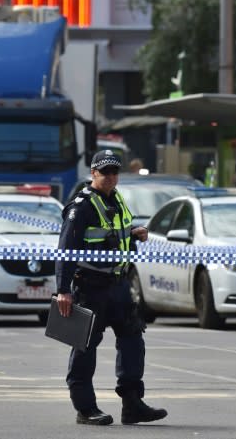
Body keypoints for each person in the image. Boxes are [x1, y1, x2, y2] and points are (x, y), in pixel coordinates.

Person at [55, 149, 167, 426]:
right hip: (89, 288)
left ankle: (132, 405)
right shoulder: (80, 206)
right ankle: (85, 408)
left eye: (115, 172)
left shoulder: (116, 200)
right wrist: (63, 290)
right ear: (93, 173)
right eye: (105, 172)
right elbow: (66, 250)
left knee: (132, 342)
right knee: (85, 348)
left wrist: (133, 234)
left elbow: (109, 239)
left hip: (118, 286)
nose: (110, 177)